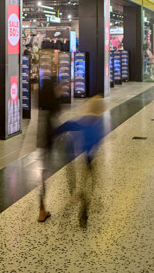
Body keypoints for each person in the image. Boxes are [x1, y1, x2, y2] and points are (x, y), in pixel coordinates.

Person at [56, 96, 105, 228]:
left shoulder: (84, 121)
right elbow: (99, 138)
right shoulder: (99, 122)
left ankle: (76, 194)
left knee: (77, 178)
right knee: (88, 182)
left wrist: (54, 132)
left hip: (77, 154)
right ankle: (84, 208)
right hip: (90, 158)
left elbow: (68, 125)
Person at [36, 77, 61, 223]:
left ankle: (42, 208)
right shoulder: (53, 104)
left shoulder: (42, 101)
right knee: (45, 175)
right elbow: (57, 112)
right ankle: (42, 210)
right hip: (49, 140)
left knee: (44, 172)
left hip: (41, 139)